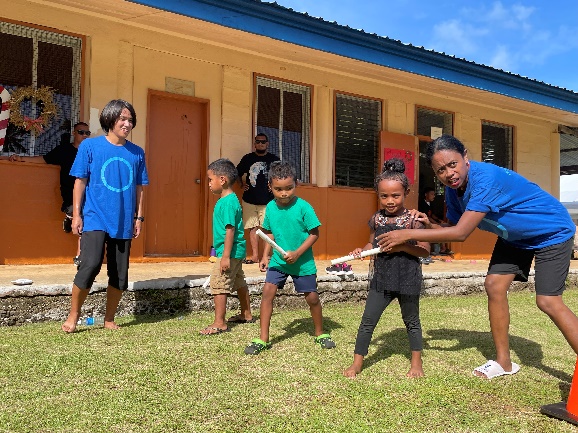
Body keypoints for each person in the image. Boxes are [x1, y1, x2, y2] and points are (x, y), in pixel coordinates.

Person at [378, 134, 578, 380]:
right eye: (441, 170)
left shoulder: (485, 179)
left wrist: (404, 234)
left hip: (551, 231)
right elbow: (451, 229)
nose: (449, 173)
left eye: (453, 164)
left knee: (548, 301)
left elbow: (461, 234)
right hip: (515, 237)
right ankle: (503, 362)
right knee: (494, 285)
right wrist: (428, 224)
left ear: (465, 158)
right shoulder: (454, 191)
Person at [61, 100, 149, 333]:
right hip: (95, 216)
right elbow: (79, 182)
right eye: (122, 118)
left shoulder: (137, 153)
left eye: (130, 120)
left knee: (120, 273)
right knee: (89, 265)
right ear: (109, 119)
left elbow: (140, 188)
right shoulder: (90, 147)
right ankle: (74, 314)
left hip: (123, 220)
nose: (127, 123)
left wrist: (139, 218)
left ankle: (109, 318)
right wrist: (77, 216)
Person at [343, 158, 430, 379]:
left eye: (395, 195)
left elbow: (425, 251)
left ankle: (416, 363)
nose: (390, 201)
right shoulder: (377, 219)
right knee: (367, 321)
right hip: (382, 277)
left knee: (411, 321)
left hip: (407, 277)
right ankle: (357, 363)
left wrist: (401, 245)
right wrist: (359, 251)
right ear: (378, 195)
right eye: (384, 196)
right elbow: (372, 244)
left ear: (406, 193)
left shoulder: (414, 220)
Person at [244, 161, 336, 354]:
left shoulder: (304, 207)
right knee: (267, 293)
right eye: (278, 189)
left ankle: (320, 332)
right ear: (270, 187)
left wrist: (297, 253)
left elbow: (314, 233)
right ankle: (263, 338)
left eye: (288, 188)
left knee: (312, 298)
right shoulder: (270, 207)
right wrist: (265, 256)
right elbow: (269, 234)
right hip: (278, 261)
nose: (284, 193)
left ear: (296, 184)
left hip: (302, 263)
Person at [8, 121, 91, 264]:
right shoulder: (64, 150)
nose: (84, 135)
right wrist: (21, 158)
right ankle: (80, 255)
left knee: (87, 223)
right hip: (69, 197)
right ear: (74, 133)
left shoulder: (90, 153)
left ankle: (80, 257)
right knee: (82, 221)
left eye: (87, 133)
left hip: (87, 197)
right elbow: (45, 159)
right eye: (81, 132)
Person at [200, 158, 254, 335]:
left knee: (219, 282)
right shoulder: (228, 200)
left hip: (229, 252)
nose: (208, 183)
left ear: (222, 180)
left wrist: (224, 256)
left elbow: (230, 230)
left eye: (210, 179)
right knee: (238, 281)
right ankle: (246, 314)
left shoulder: (228, 202)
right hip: (236, 251)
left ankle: (219, 322)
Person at [236, 133, 280, 264]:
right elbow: (237, 173)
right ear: (254, 144)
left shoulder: (274, 159)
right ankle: (255, 256)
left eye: (263, 142)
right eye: (258, 142)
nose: (260, 144)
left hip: (268, 201)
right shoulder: (247, 158)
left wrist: (274, 186)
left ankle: (267, 257)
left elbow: (282, 175)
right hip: (249, 200)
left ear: (267, 144)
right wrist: (241, 185)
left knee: (268, 229)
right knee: (252, 228)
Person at [418, 187, 452, 257]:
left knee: (443, 227)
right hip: (424, 224)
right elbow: (428, 217)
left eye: (434, 194)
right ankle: (443, 249)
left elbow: (432, 215)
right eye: (432, 194)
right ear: (426, 195)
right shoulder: (422, 204)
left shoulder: (431, 204)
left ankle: (443, 249)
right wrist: (437, 224)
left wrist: (439, 220)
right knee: (440, 229)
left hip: (430, 223)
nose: (433, 196)